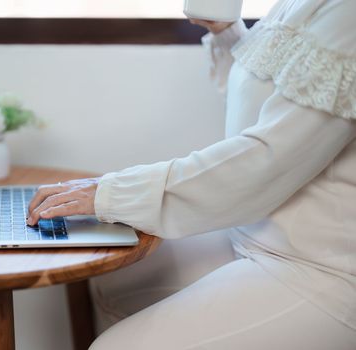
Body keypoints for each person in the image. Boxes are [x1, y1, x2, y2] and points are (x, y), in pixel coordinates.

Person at [27, 0, 356, 348]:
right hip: (251, 235)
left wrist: (111, 193)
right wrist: (225, 32)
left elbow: (266, 160)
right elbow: (265, 107)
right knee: (115, 283)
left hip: (318, 270)